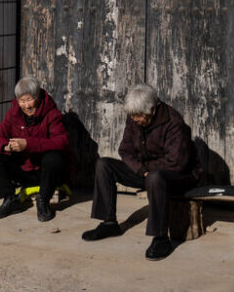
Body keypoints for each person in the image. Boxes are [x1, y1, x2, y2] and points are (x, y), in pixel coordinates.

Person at [81, 84, 203, 261]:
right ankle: (109, 222)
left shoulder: (174, 123)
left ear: (152, 110)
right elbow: (125, 151)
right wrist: (141, 170)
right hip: (148, 172)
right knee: (104, 165)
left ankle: (161, 238)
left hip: (180, 175)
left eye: (139, 116)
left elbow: (177, 162)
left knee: (155, 177)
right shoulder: (135, 118)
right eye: (132, 116)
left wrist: (148, 171)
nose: (135, 119)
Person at [0, 76, 69, 222]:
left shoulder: (52, 114)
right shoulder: (14, 114)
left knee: (54, 157)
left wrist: (28, 144)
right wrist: (6, 146)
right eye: (22, 101)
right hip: (23, 170)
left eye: (29, 100)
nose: (27, 106)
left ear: (38, 97)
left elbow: (62, 141)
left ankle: (43, 200)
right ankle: (10, 199)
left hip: (45, 173)